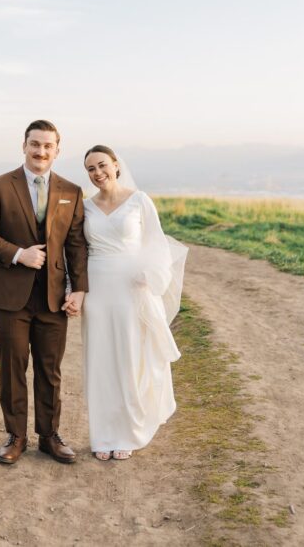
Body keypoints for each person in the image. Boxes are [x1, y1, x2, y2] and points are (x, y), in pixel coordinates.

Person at [0, 119, 89, 466]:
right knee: (12, 367)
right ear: (24, 146)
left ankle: (49, 436)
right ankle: (16, 436)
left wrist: (79, 289)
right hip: (9, 297)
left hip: (53, 298)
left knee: (50, 370)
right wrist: (19, 254)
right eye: (35, 144)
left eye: (48, 146)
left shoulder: (71, 191)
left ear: (57, 150)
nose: (41, 151)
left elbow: (76, 244)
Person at [81, 145, 186, 461]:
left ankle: (127, 431)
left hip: (131, 289)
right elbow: (76, 251)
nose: (97, 173)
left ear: (115, 165)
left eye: (102, 165)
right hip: (97, 289)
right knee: (100, 361)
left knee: (130, 358)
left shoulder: (140, 201)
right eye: (90, 169)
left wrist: (149, 274)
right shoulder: (84, 207)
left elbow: (157, 244)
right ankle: (103, 434)